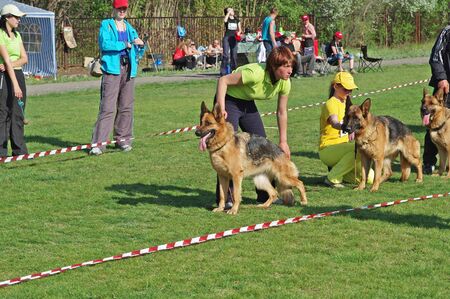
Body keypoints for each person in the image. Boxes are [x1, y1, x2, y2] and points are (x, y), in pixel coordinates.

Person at [214, 46, 295, 205]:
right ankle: (227, 199)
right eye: (285, 66)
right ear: (273, 66)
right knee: (230, 149)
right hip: (229, 99)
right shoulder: (255, 73)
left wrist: (283, 141)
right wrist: (221, 108)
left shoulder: (285, 82)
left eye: (291, 66)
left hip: (247, 103)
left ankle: (266, 195)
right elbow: (223, 81)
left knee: (262, 147)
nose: (290, 70)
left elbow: (281, 112)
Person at [89, 0, 144, 155]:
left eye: (124, 9)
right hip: (112, 70)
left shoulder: (130, 27)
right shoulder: (106, 25)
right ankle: (99, 144)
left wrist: (141, 45)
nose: (121, 11)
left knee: (126, 106)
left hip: (129, 70)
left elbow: (137, 49)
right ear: (113, 9)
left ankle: (123, 140)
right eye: (119, 8)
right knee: (107, 107)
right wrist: (124, 44)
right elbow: (105, 44)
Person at [319, 72, 372, 187]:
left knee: (369, 178)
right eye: (346, 89)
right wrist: (344, 127)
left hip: (343, 148)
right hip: (328, 148)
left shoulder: (348, 104)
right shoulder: (331, 103)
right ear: (335, 86)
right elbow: (334, 122)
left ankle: (336, 172)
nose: (348, 92)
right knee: (360, 150)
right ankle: (332, 178)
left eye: (351, 90)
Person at [0, 4, 28, 157]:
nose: (18, 20)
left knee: (18, 113)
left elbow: (24, 59)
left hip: (17, 74)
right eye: (16, 17)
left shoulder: (17, 36)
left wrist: (9, 64)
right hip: (4, 77)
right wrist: (15, 86)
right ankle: (1, 152)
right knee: (3, 113)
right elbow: (6, 59)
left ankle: (19, 151)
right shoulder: (0, 34)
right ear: (6, 17)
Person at [423, 24, 450, 174]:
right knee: (434, 124)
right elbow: (435, 56)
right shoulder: (447, 31)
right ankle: (429, 162)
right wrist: (441, 78)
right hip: (446, 87)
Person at [220, 7, 241, 76]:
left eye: (232, 9)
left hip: (234, 38)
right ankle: (223, 72)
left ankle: (234, 71)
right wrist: (228, 12)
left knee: (234, 56)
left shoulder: (236, 20)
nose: (232, 10)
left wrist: (239, 33)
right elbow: (225, 20)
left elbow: (240, 29)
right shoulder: (227, 19)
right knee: (226, 55)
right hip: (227, 38)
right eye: (230, 9)